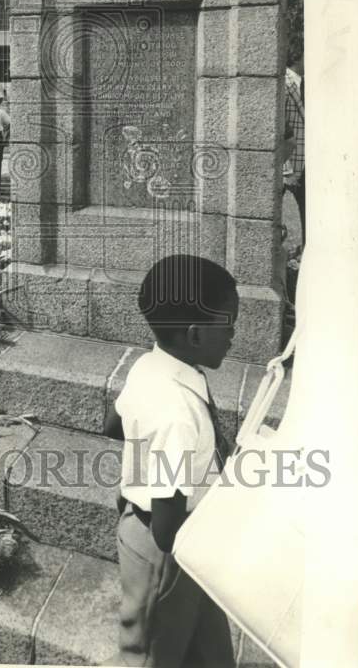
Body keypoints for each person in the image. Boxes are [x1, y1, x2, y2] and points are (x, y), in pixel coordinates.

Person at [105, 254, 238, 668]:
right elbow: (166, 528)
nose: (234, 334)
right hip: (167, 552)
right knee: (151, 654)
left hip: (172, 531)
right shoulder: (176, 415)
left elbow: (115, 422)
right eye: (229, 323)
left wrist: (152, 460)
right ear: (196, 335)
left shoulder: (152, 365)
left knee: (209, 648)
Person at [284, 63, 305, 244]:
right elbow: (277, 129)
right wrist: (286, 170)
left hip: (306, 163)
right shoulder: (284, 81)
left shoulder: (307, 83)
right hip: (288, 166)